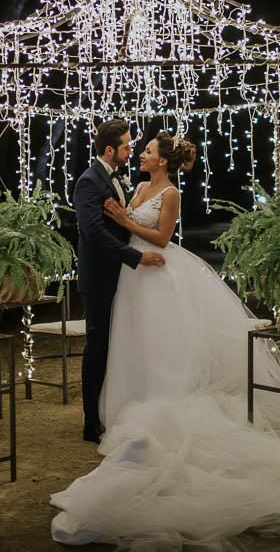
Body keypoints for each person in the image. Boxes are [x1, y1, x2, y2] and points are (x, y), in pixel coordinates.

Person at [51, 132, 280, 550]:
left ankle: (163, 401)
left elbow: (160, 237)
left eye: (147, 151)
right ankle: (126, 404)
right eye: (134, 149)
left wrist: (123, 221)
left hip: (156, 269)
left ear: (162, 162)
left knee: (164, 345)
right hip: (132, 275)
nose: (139, 153)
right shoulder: (138, 186)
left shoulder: (172, 193)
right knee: (130, 341)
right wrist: (125, 230)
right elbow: (116, 230)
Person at [73, 119, 166, 445]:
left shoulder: (114, 178)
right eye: (127, 146)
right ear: (110, 149)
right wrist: (135, 256)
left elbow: (114, 224)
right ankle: (90, 422)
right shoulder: (89, 182)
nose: (131, 151)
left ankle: (110, 409)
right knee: (97, 349)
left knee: (116, 345)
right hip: (99, 276)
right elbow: (94, 232)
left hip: (118, 275)